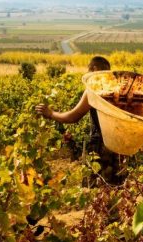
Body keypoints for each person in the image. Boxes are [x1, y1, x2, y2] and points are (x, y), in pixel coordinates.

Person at [35, 56, 124, 185]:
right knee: (115, 189)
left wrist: (50, 113)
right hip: (118, 145)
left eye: (88, 70)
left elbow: (73, 117)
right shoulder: (118, 90)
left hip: (100, 146)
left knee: (94, 188)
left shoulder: (93, 91)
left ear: (94, 69)